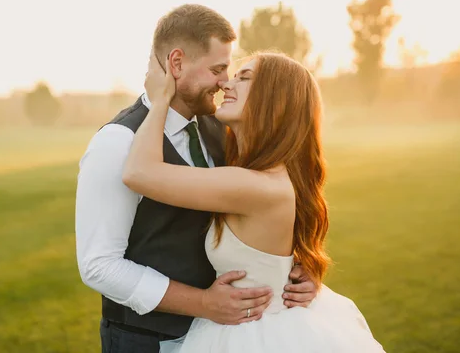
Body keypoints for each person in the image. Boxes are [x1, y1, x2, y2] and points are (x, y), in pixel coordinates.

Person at [75, 4, 318, 353]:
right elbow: (99, 266)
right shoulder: (118, 142)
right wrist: (202, 304)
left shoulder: (222, 127)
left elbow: (258, 216)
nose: (224, 82)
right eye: (218, 69)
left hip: (228, 335)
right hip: (147, 340)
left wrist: (292, 271)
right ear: (176, 64)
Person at [121, 49, 386, 352]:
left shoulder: (255, 186)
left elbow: (139, 173)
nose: (226, 85)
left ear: (275, 101)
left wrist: (159, 100)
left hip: (255, 335)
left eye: (244, 78)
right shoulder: (259, 174)